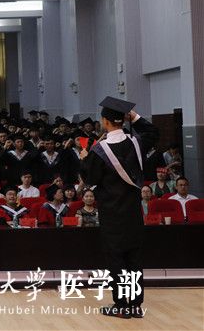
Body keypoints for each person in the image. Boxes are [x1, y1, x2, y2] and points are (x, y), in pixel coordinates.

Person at [81, 96, 158, 319]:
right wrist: (135, 117)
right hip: (133, 212)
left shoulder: (98, 151)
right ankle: (135, 305)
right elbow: (153, 132)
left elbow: (90, 179)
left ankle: (122, 305)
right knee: (134, 259)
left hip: (112, 214)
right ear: (123, 120)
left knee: (117, 259)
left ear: (105, 121)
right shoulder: (136, 143)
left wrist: (84, 159)